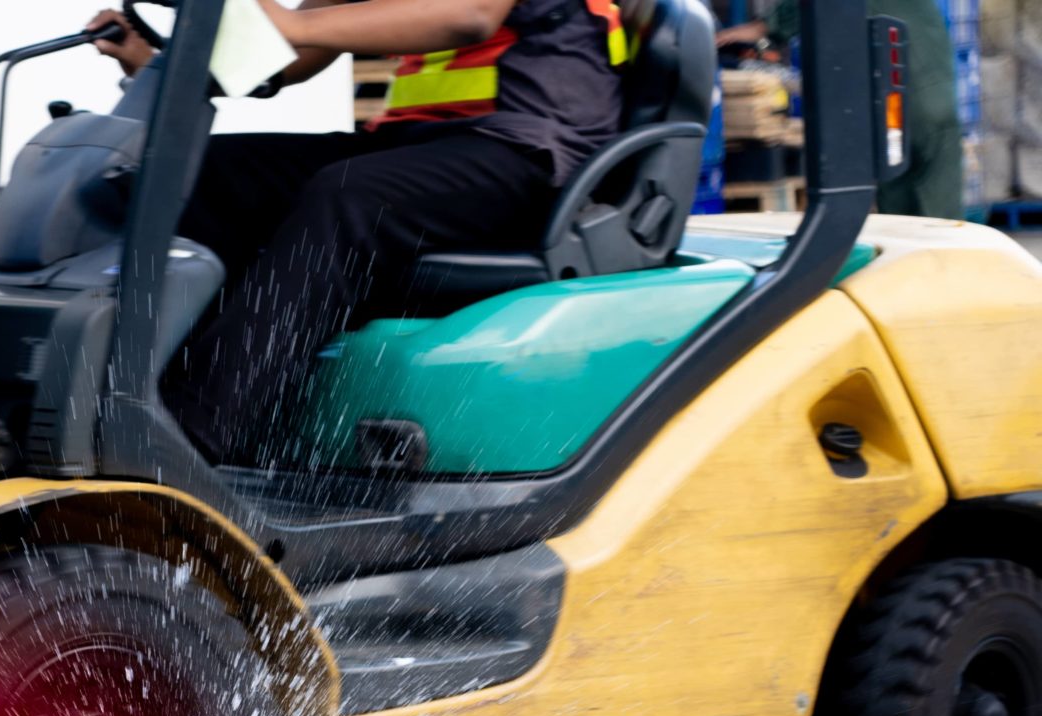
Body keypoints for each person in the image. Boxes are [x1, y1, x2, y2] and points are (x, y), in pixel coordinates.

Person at [87, 0, 633, 464]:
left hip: (530, 148)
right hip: (418, 145)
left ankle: (193, 437)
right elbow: (286, 59)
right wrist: (154, 61)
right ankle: (127, 397)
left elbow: (469, 14)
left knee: (347, 194)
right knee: (200, 177)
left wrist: (292, 26)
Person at [714, 0, 962, 219]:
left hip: (902, 100)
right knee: (936, 203)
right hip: (934, 93)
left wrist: (765, 28)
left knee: (906, 202)